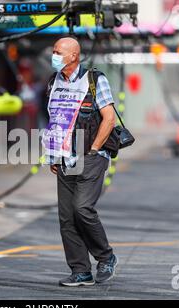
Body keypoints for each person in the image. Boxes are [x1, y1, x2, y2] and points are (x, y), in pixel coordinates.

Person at [43, 37, 118, 286]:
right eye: (53, 51)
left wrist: (95, 149)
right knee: (67, 218)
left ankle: (106, 257)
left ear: (74, 56)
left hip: (91, 155)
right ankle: (80, 270)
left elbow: (109, 119)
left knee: (82, 208)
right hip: (64, 157)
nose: (53, 55)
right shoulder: (53, 82)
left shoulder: (95, 80)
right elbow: (56, 120)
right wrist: (53, 154)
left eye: (57, 52)